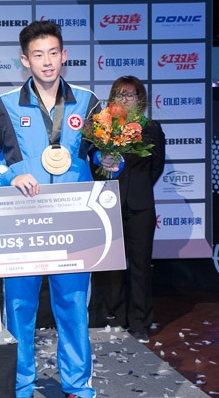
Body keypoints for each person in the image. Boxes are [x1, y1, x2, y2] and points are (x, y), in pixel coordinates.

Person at [0, 21, 118, 398]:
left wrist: (110, 159)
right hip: (21, 221)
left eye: (54, 53)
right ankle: (19, 385)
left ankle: (77, 385)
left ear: (64, 55)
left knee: (72, 306)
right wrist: (7, 177)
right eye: (38, 55)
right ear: (25, 60)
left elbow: (100, 152)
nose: (47, 61)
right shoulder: (3, 105)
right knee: (19, 308)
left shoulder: (88, 102)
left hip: (74, 221)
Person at [91, 76, 165, 344]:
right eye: (120, 95)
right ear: (112, 99)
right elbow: (93, 165)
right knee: (111, 265)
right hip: (109, 205)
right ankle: (113, 318)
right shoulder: (103, 127)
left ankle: (139, 321)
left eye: (130, 95)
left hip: (140, 207)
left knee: (140, 265)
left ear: (140, 99)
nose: (125, 100)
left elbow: (157, 166)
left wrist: (139, 188)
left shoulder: (151, 128)